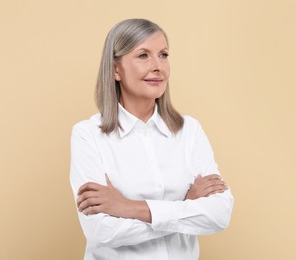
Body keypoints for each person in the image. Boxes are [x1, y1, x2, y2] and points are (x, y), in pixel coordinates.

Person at [70, 18, 234, 260]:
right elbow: (102, 231)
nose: (158, 66)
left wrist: (128, 208)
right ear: (116, 69)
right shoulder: (88, 135)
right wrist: (185, 207)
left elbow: (219, 215)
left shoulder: (190, 130)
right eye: (143, 55)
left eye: (164, 55)